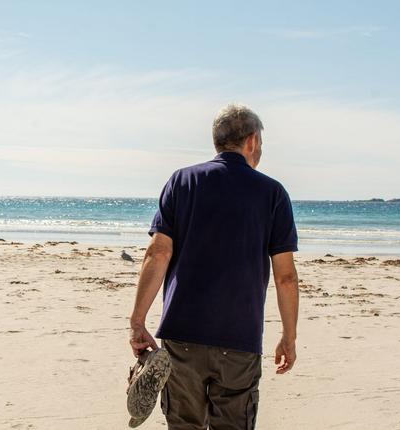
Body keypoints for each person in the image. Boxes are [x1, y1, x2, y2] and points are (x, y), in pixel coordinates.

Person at [128, 103, 300, 429]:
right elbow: (286, 277)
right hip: (240, 338)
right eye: (260, 141)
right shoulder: (272, 193)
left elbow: (157, 254)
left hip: (182, 336)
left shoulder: (182, 181)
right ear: (251, 141)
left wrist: (138, 322)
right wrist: (288, 336)